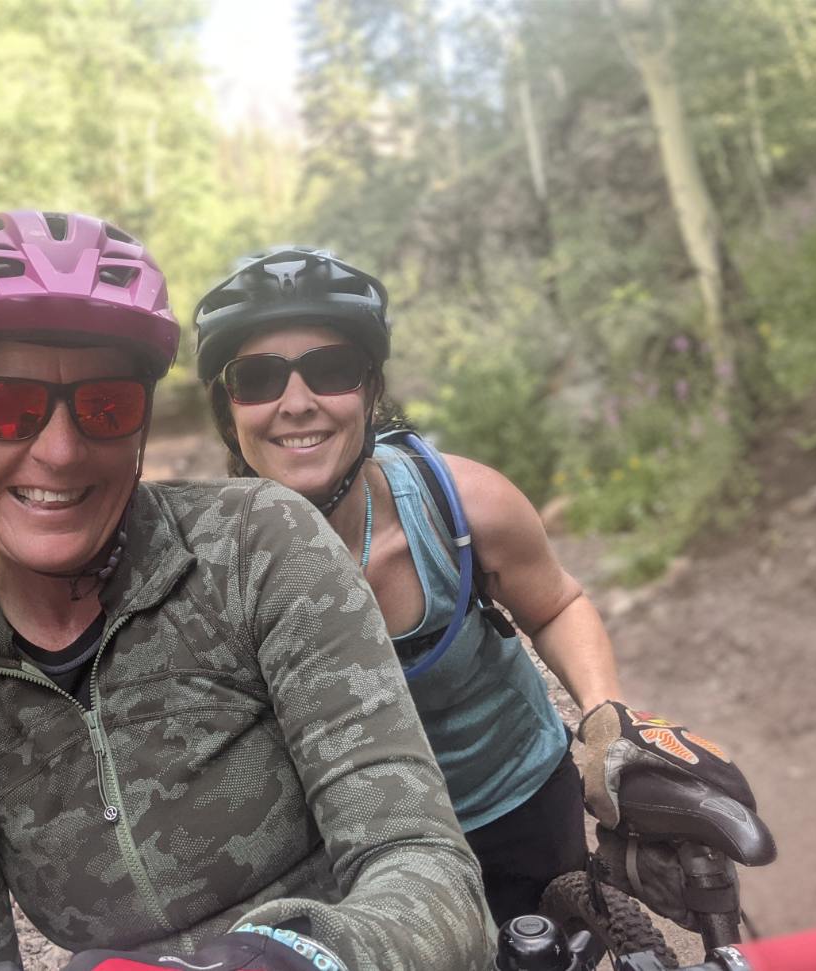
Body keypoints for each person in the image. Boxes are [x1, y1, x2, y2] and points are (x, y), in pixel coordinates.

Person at [0, 209, 496, 971]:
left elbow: (425, 864)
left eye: (106, 405)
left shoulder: (256, 544)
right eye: (5, 406)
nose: (60, 451)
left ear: (140, 424)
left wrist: (286, 961)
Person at [193, 247, 757, 924]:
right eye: (257, 378)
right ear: (229, 410)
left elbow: (556, 604)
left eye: (331, 369)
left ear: (371, 391)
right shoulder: (203, 570)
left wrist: (605, 714)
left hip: (513, 801)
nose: (295, 403)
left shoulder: (460, 505)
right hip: (357, 850)